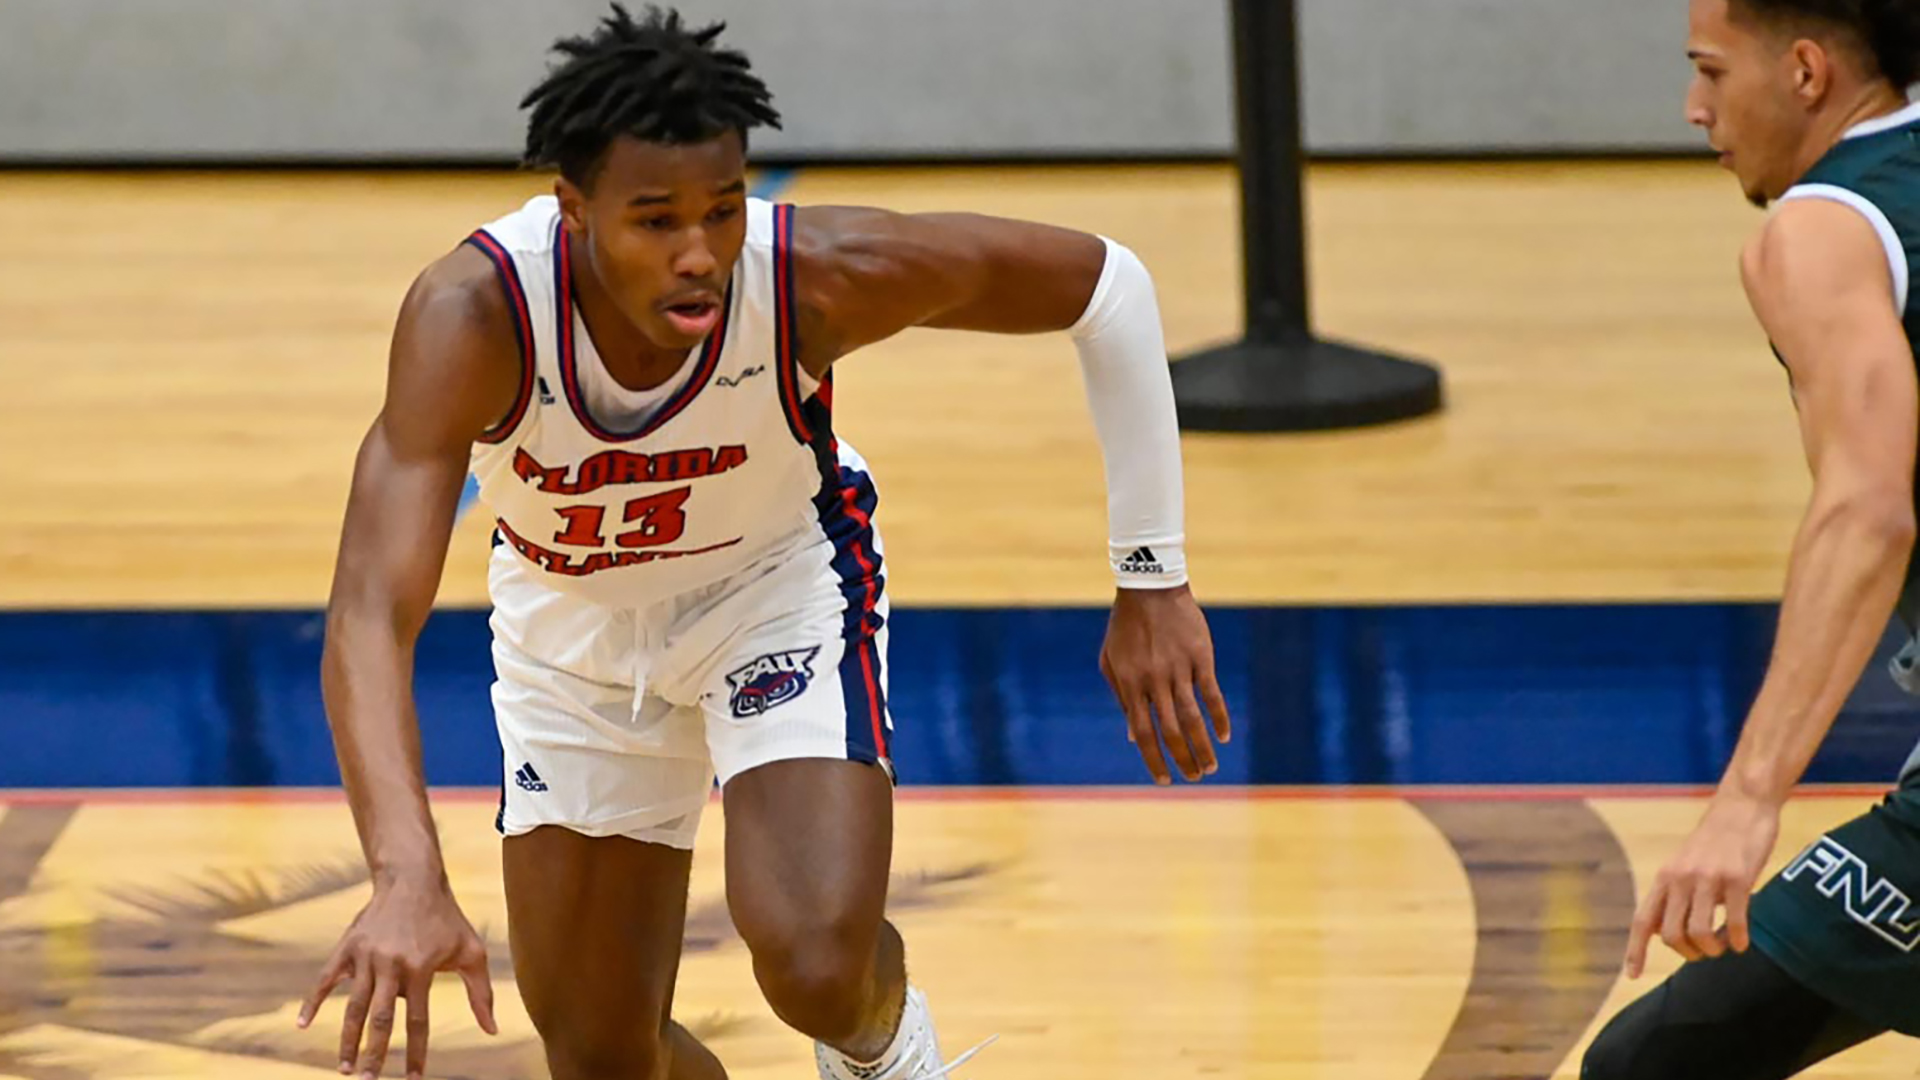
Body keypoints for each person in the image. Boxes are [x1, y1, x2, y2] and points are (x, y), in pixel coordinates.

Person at [294, 5, 1230, 1079]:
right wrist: (404, 874)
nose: (700, 255)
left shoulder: (812, 277)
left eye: (723, 211)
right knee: (604, 1055)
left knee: (816, 966)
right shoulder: (475, 315)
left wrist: (1151, 578)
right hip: (573, 629)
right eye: (655, 222)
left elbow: (1107, 288)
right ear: (575, 210)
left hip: (771, 585)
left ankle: (886, 1048)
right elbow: (370, 609)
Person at [1583, 1, 1920, 1077]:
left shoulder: (1821, 231)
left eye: (1712, 72)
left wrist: (1745, 800)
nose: (1695, 108)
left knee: (1655, 1065)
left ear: (1809, 72)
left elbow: (1866, 508)